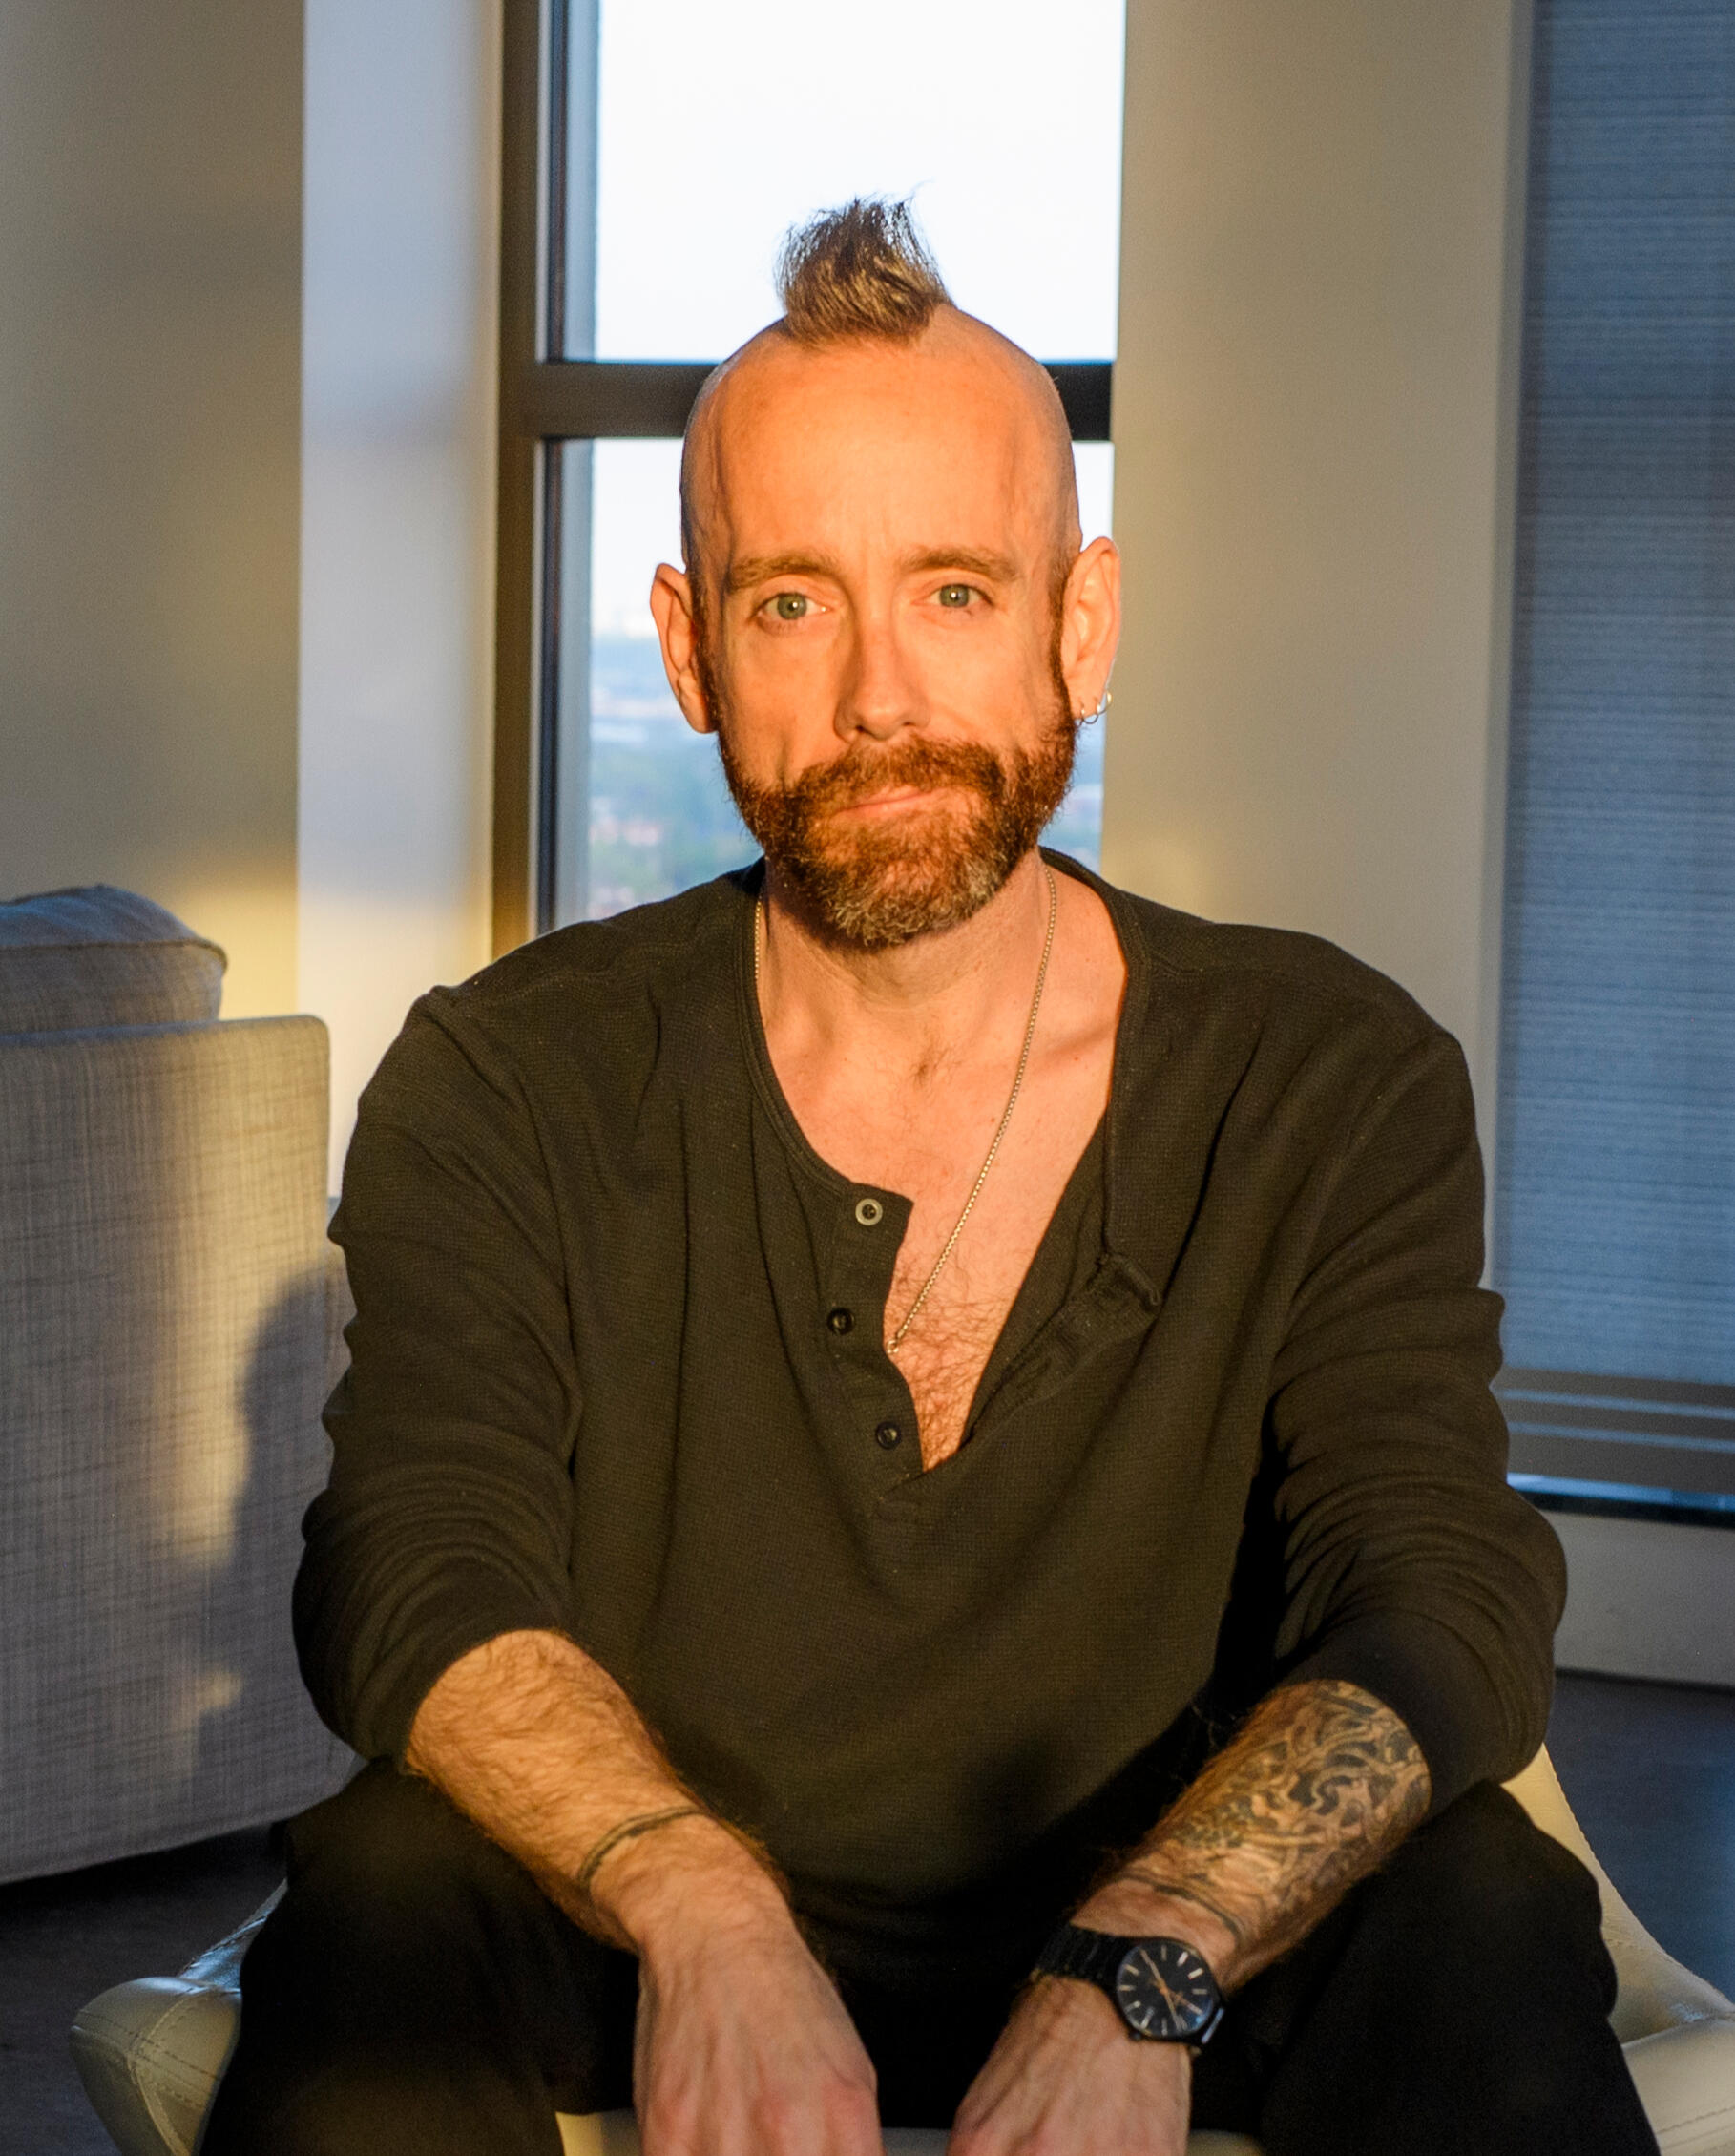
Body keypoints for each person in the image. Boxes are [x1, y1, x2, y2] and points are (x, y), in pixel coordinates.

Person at [204, 201, 1657, 2156]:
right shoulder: (507, 1077)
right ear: (689, 648)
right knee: (384, 1887)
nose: (879, 695)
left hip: (1171, 1911)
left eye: (956, 591)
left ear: (1083, 623)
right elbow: (413, 1563)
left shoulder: (1327, 1073)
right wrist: (700, 1905)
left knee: (1476, 1909)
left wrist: (1148, 1954)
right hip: (637, 1916)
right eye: (791, 602)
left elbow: (1436, 1588)